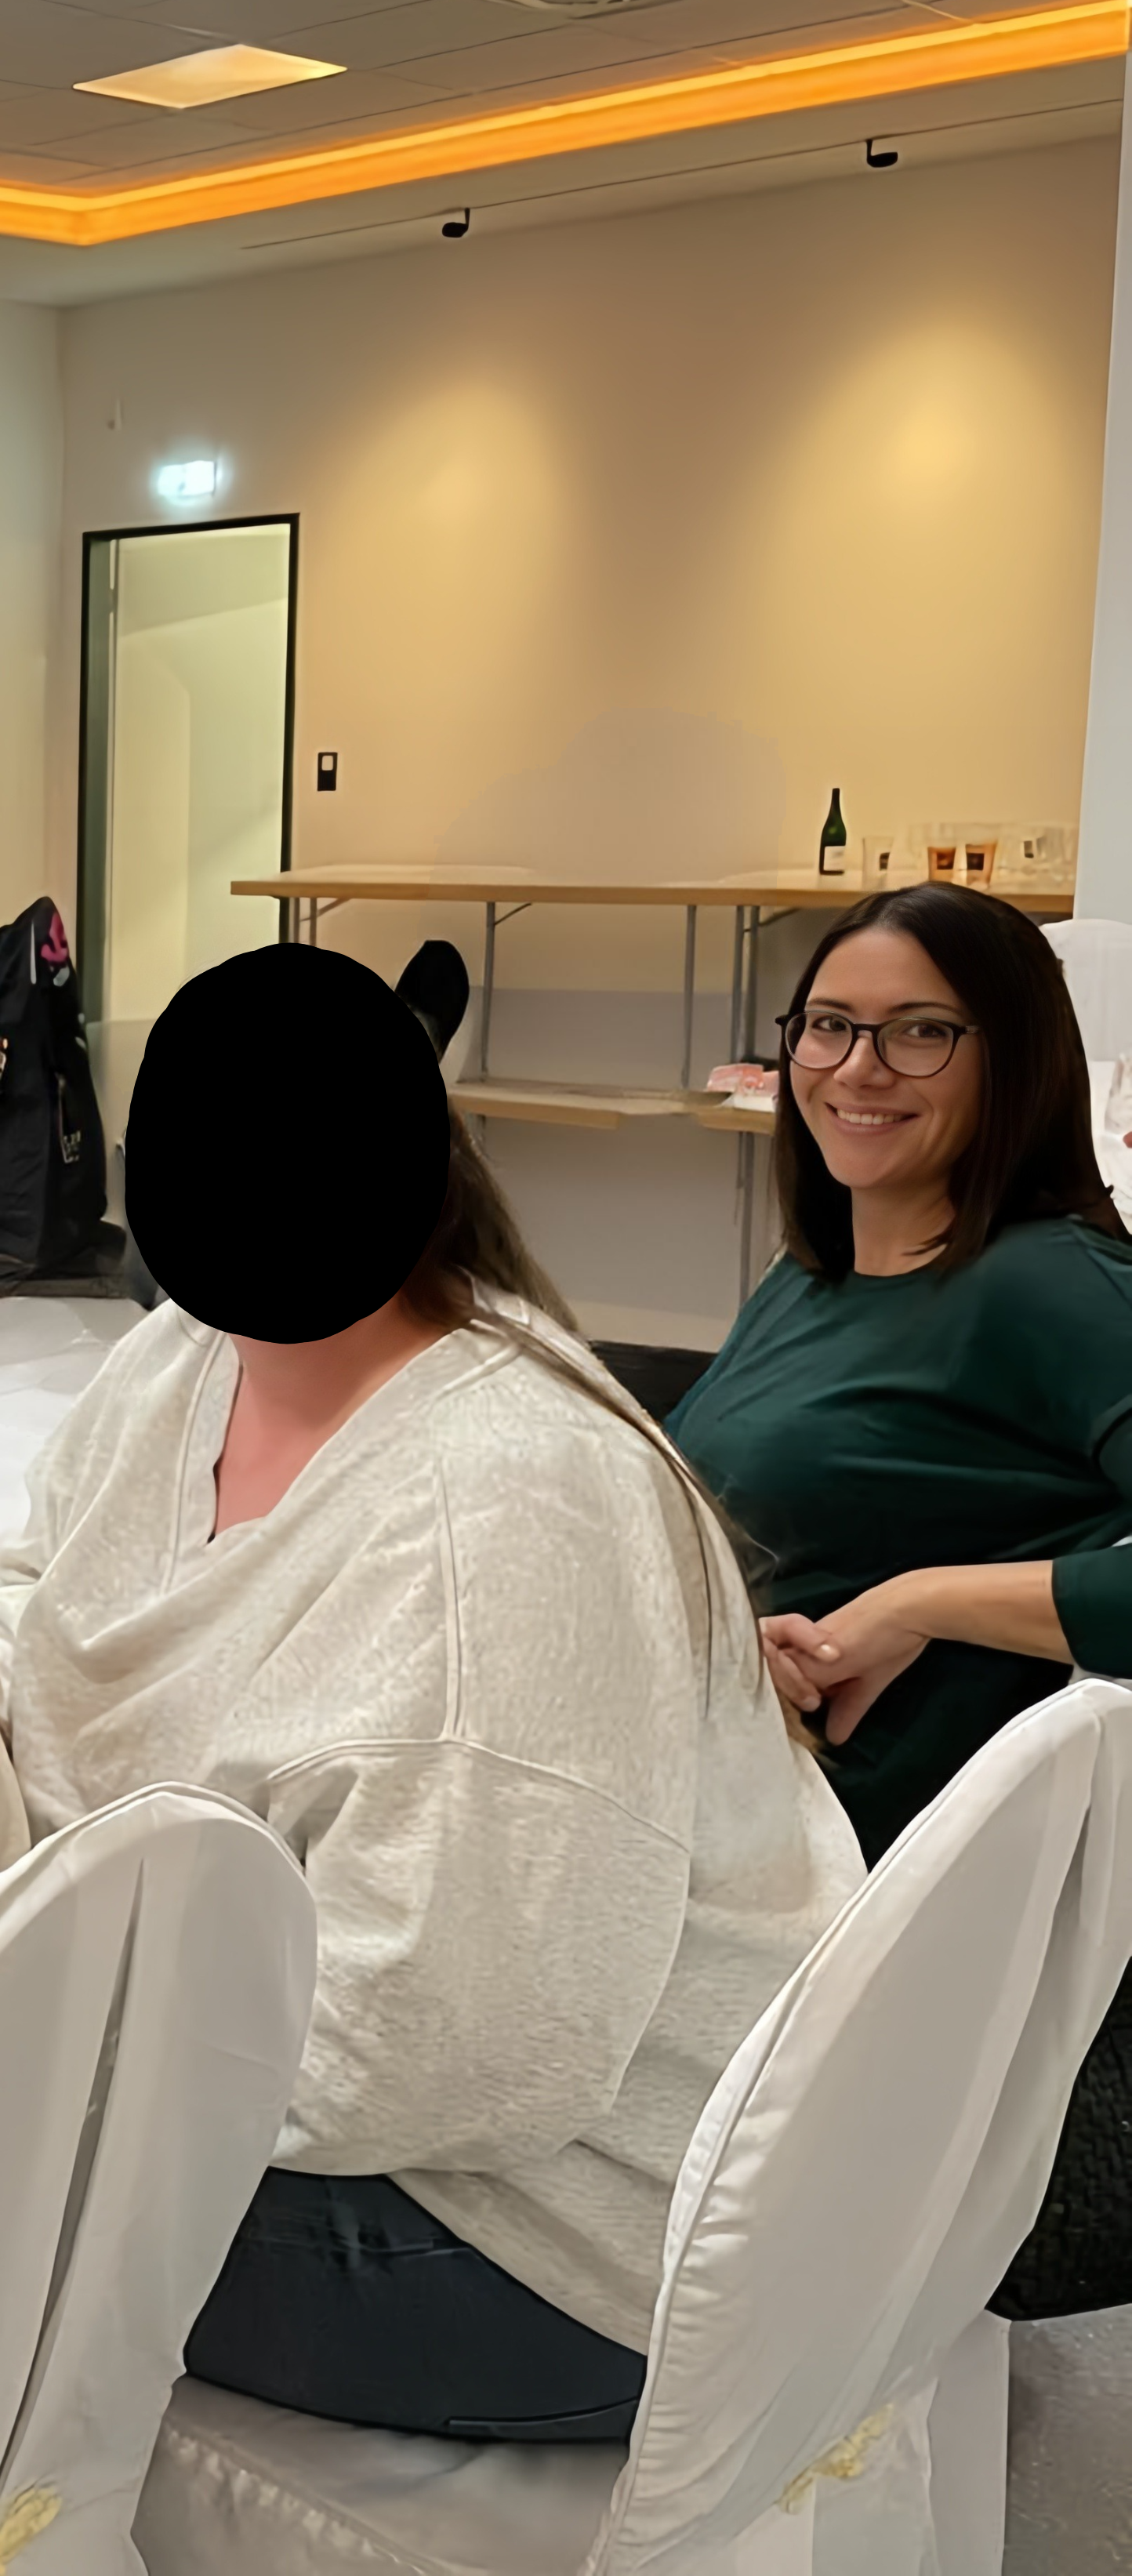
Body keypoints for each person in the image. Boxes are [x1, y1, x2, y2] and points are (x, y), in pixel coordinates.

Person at [0, 944, 862, 2442]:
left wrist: (62, 2026)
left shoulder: (509, 1512)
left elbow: (454, 2055)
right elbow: (42, 1587)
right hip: (307, 2070)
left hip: (554, 2226)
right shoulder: (188, 1359)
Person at [667, 880, 1132, 2316]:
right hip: (726, 1824)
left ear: (1015, 1060)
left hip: (834, 1904)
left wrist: (923, 1602)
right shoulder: (813, 1276)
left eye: (921, 1031)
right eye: (828, 1026)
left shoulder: (1050, 1285)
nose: (858, 1069)